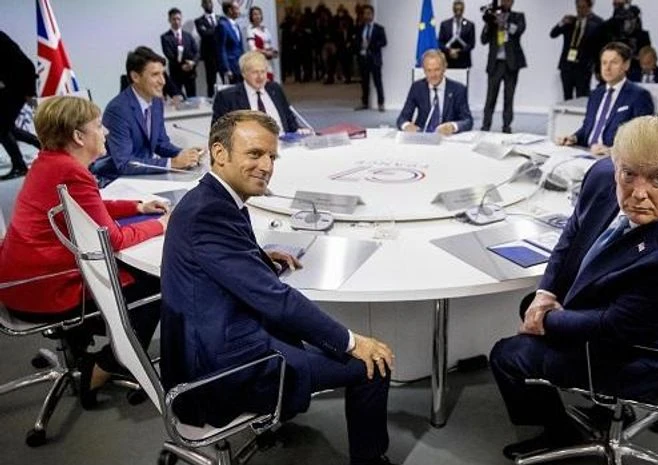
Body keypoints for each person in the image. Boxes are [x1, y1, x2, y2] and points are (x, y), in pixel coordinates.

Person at [160, 110, 396, 465]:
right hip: (221, 372)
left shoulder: (210, 199)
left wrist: (257, 258)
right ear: (219, 153)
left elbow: (219, 262)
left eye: (272, 156)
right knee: (372, 365)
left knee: (301, 334)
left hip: (208, 343)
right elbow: (277, 301)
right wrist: (353, 341)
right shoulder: (210, 214)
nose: (267, 166)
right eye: (255, 154)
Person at [490, 115, 658, 460]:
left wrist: (544, 321)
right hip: (623, 316)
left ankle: (557, 432)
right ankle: (605, 402)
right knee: (530, 302)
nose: (638, 193)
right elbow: (573, 232)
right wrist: (546, 295)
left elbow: (614, 326)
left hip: (646, 356)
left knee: (507, 355)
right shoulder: (603, 176)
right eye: (628, 174)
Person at [0, 96, 168, 409]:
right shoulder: (70, 172)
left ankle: (84, 348)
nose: (104, 132)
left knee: (134, 278)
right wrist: (161, 224)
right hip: (43, 290)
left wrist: (137, 207)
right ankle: (105, 365)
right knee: (155, 285)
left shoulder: (50, 162)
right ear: (79, 136)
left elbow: (88, 207)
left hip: (17, 284)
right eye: (98, 126)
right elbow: (113, 240)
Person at [90, 47, 202, 179]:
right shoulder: (118, 110)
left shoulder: (156, 102)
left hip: (145, 176)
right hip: (117, 180)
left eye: (163, 74)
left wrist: (186, 154)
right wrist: (172, 163)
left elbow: (161, 143)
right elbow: (124, 163)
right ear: (135, 77)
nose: (163, 81)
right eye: (155, 75)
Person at [556, 42, 654, 156]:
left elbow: (642, 140)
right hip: (585, 153)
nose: (607, 68)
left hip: (612, 159)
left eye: (614, 63)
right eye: (604, 63)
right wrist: (574, 138)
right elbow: (588, 128)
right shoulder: (596, 94)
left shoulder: (639, 95)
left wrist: (612, 151)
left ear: (626, 65)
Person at [211, 51, 302, 134]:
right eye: (255, 72)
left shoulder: (275, 89)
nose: (260, 77)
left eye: (263, 72)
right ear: (244, 74)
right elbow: (218, 133)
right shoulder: (227, 97)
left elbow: (290, 122)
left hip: (285, 146)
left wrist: (299, 130)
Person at [396, 49, 473, 134]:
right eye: (429, 70)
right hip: (422, 138)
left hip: (447, 139)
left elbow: (468, 121)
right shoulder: (417, 88)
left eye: (437, 70)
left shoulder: (458, 89)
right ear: (424, 71)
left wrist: (452, 126)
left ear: (444, 68)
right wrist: (407, 126)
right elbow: (402, 118)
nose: (433, 75)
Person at [480, 0, 526, 134]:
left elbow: (519, 30)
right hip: (495, 64)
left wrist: (504, 24)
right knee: (490, 97)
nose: (505, 2)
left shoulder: (518, 16)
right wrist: (490, 24)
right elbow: (483, 40)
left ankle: (507, 126)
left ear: (512, 2)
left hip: (511, 64)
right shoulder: (493, 17)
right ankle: (485, 125)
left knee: (509, 97)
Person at [0, 31, 37, 180]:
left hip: (18, 89)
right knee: (7, 128)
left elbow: (28, 66)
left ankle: (20, 166)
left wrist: (30, 92)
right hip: (7, 88)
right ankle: (44, 145)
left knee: (2, 128)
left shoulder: (1, 40)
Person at [550, 0, 603, 100]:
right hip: (567, 65)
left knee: (582, 96)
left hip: (584, 67)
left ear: (589, 7)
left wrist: (597, 67)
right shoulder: (570, 21)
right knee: (567, 96)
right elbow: (553, 34)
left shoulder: (597, 23)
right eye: (578, 7)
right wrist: (562, 22)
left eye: (583, 7)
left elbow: (599, 47)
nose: (580, 10)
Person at [160, 8, 199, 98]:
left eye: (178, 19)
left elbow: (196, 52)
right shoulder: (165, 37)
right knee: (178, 99)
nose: (176, 21)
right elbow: (169, 55)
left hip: (190, 73)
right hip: (176, 74)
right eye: (174, 19)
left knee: (192, 99)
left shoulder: (188, 36)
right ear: (169, 20)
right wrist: (183, 65)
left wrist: (192, 63)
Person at [355, 5, 387, 111]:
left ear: (373, 15)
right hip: (363, 59)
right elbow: (357, 42)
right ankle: (364, 103)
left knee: (378, 82)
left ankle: (381, 103)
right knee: (364, 82)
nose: (367, 16)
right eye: (365, 13)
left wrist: (372, 45)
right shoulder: (360, 28)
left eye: (369, 13)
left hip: (375, 59)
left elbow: (384, 42)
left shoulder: (379, 28)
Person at [438, 0, 476, 69]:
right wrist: (450, 51)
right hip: (447, 61)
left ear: (463, 10)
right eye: (456, 9)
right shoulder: (444, 24)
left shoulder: (470, 25)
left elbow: (471, 44)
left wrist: (459, 51)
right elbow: (440, 43)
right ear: (453, 9)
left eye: (460, 9)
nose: (458, 11)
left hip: (463, 61)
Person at [194, 0, 220, 97]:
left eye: (209, 2)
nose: (208, 4)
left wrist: (211, 30)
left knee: (225, 80)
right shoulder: (199, 21)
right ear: (202, 5)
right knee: (211, 82)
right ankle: (211, 103)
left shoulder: (220, 18)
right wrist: (218, 29)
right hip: (209, 56)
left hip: (222, 55)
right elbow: (205, 34)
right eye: (205, 3)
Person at [246, 6, 278, 82]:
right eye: (254, 14)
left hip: (269, 62)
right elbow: (252, 49)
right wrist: (266, 53)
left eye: (259, 14)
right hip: (258, 62)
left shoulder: (265, 29)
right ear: (251, 17)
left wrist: (274, 51)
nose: (257, 16)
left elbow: (270, 44)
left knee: (271, 82)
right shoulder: (250, 31)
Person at [216, 0, 244, 85]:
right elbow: (221, 49)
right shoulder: (222, 25)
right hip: (230, 68)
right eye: (237, 9)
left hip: (239, 67)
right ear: (230, 10)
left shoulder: (236, 25)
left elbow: (240, 47)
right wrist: (226, 69)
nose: (239, 11)